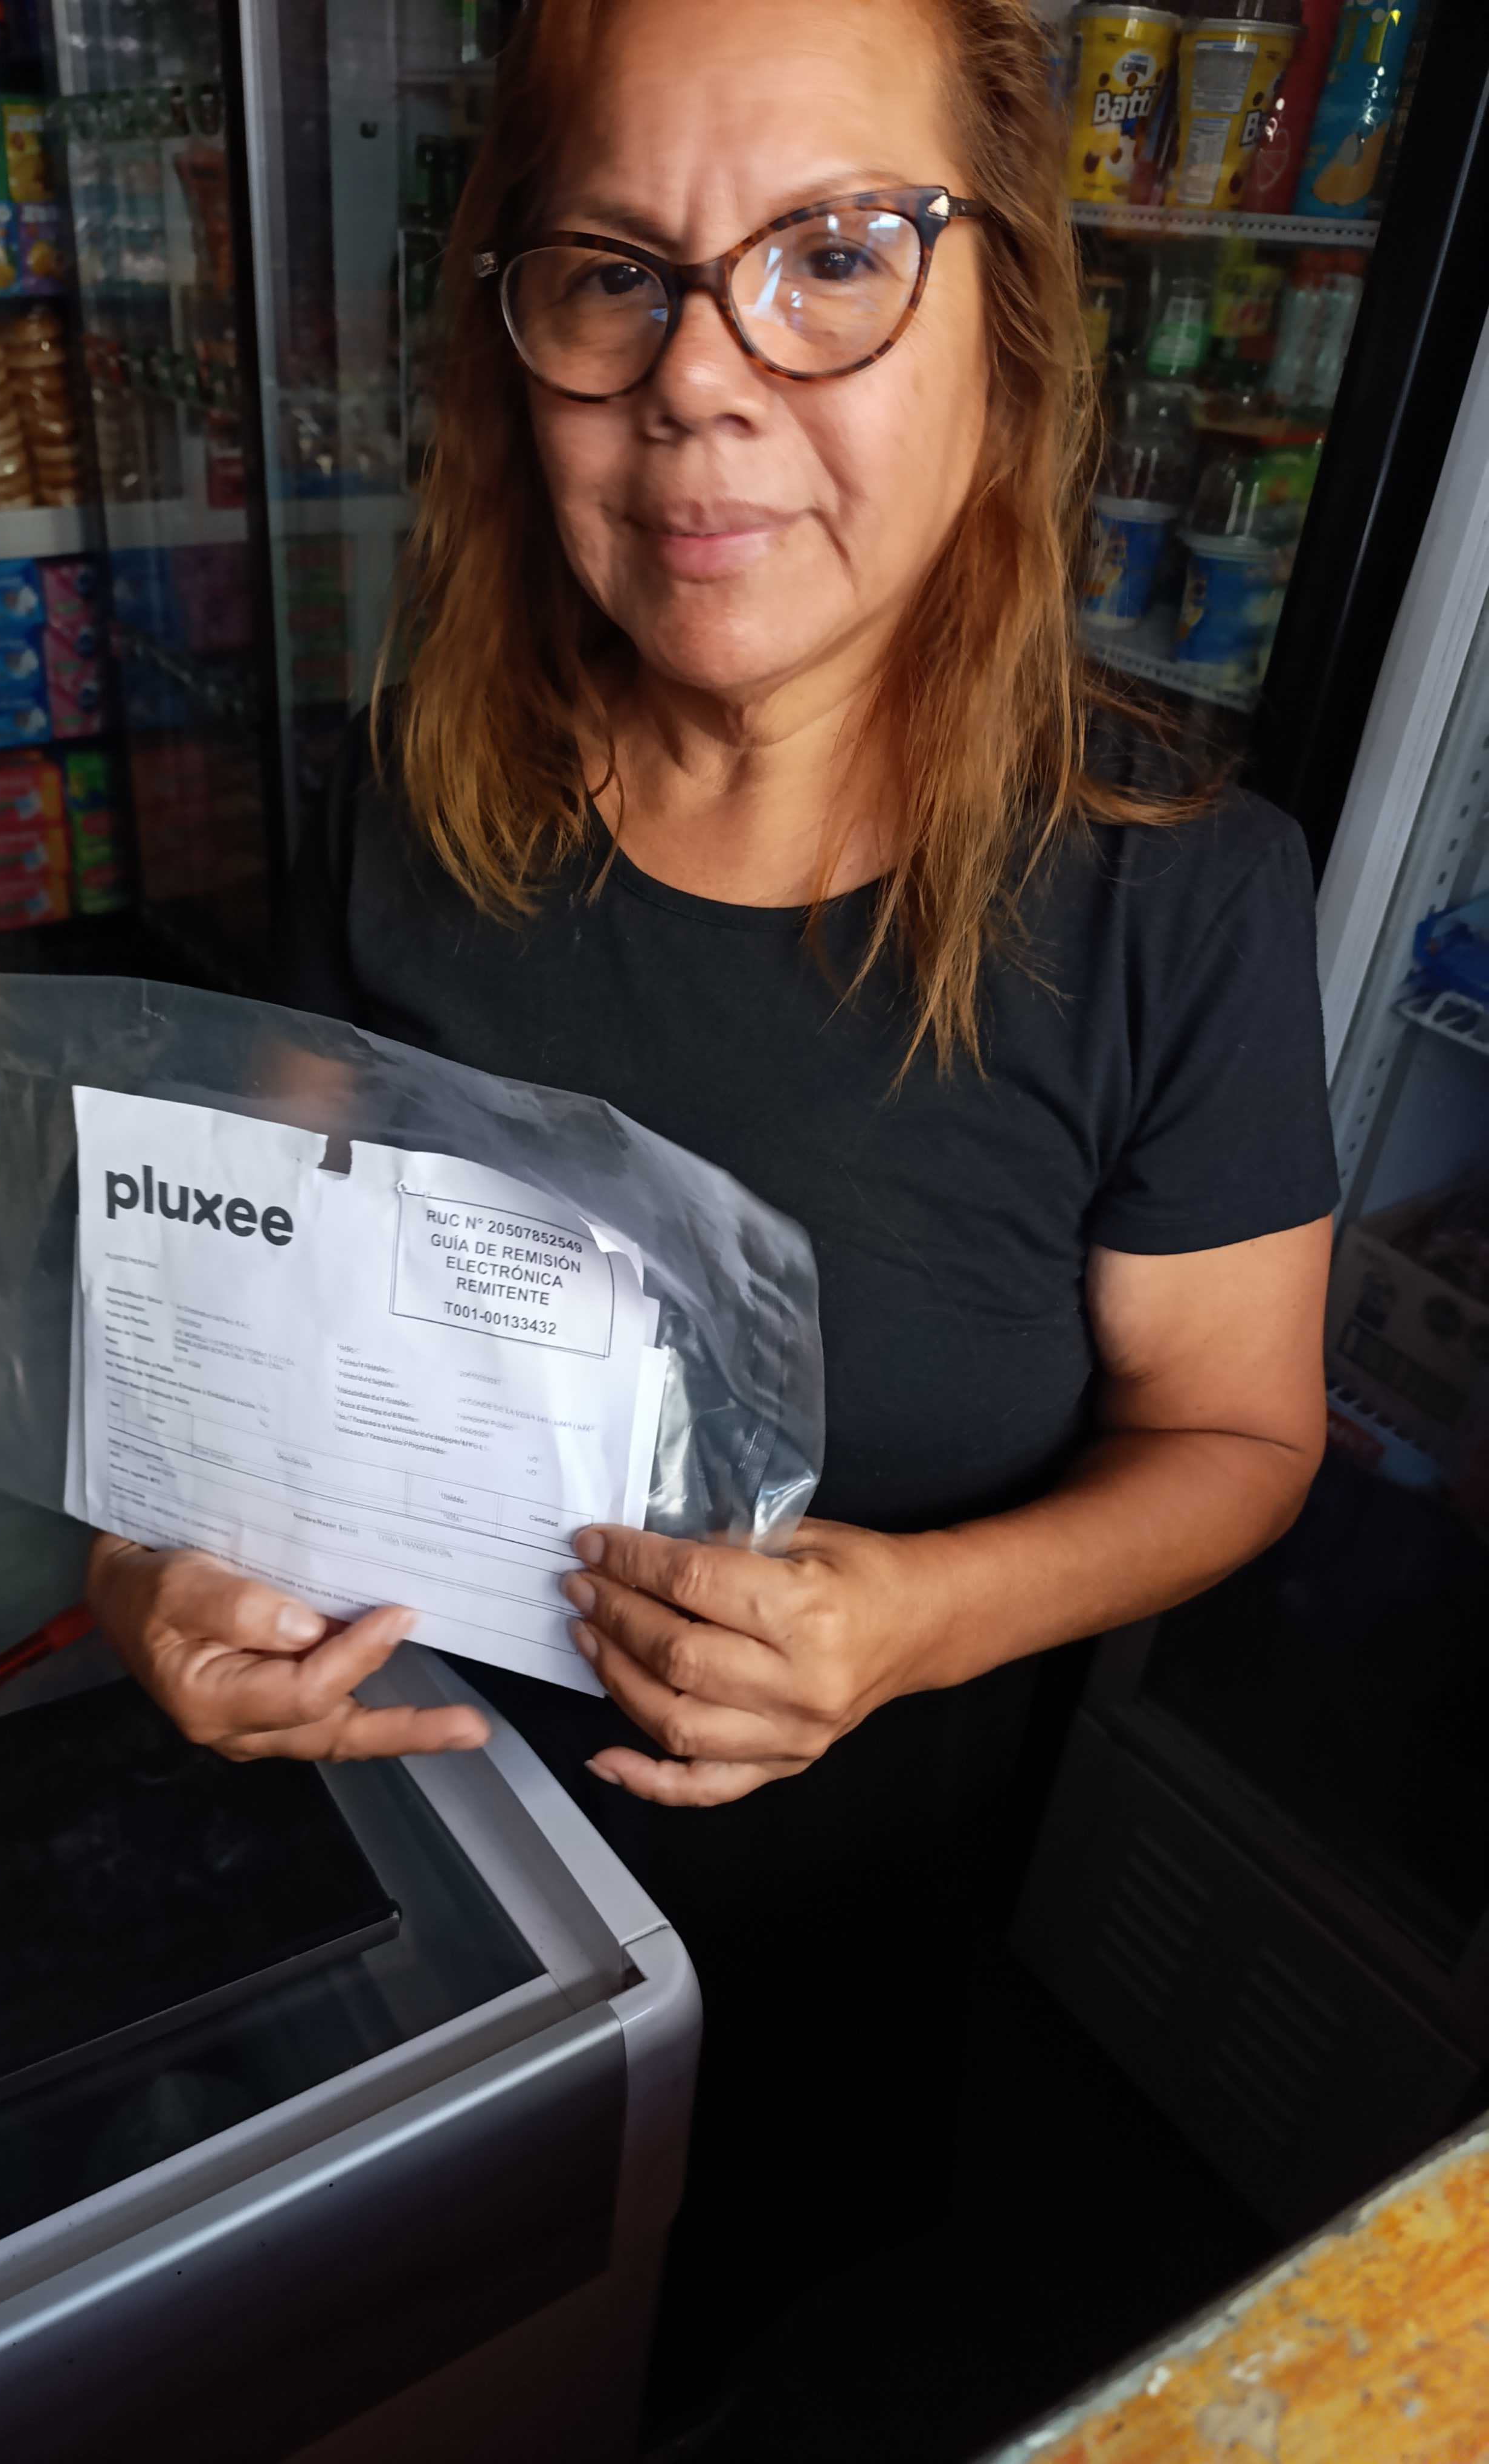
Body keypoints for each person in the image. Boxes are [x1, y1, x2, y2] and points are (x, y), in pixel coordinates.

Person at [89, 0, 1337, 2416]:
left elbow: (1242, 1441)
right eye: (615, 274)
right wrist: (151, 1559)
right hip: (397, 1910)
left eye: (833, 254)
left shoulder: (1178, 901)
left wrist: (921, 1617)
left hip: (810, 1974)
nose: (699, 379)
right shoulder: (415, 786)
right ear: (519, 339)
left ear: (1009, 319)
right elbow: (233, 1310)